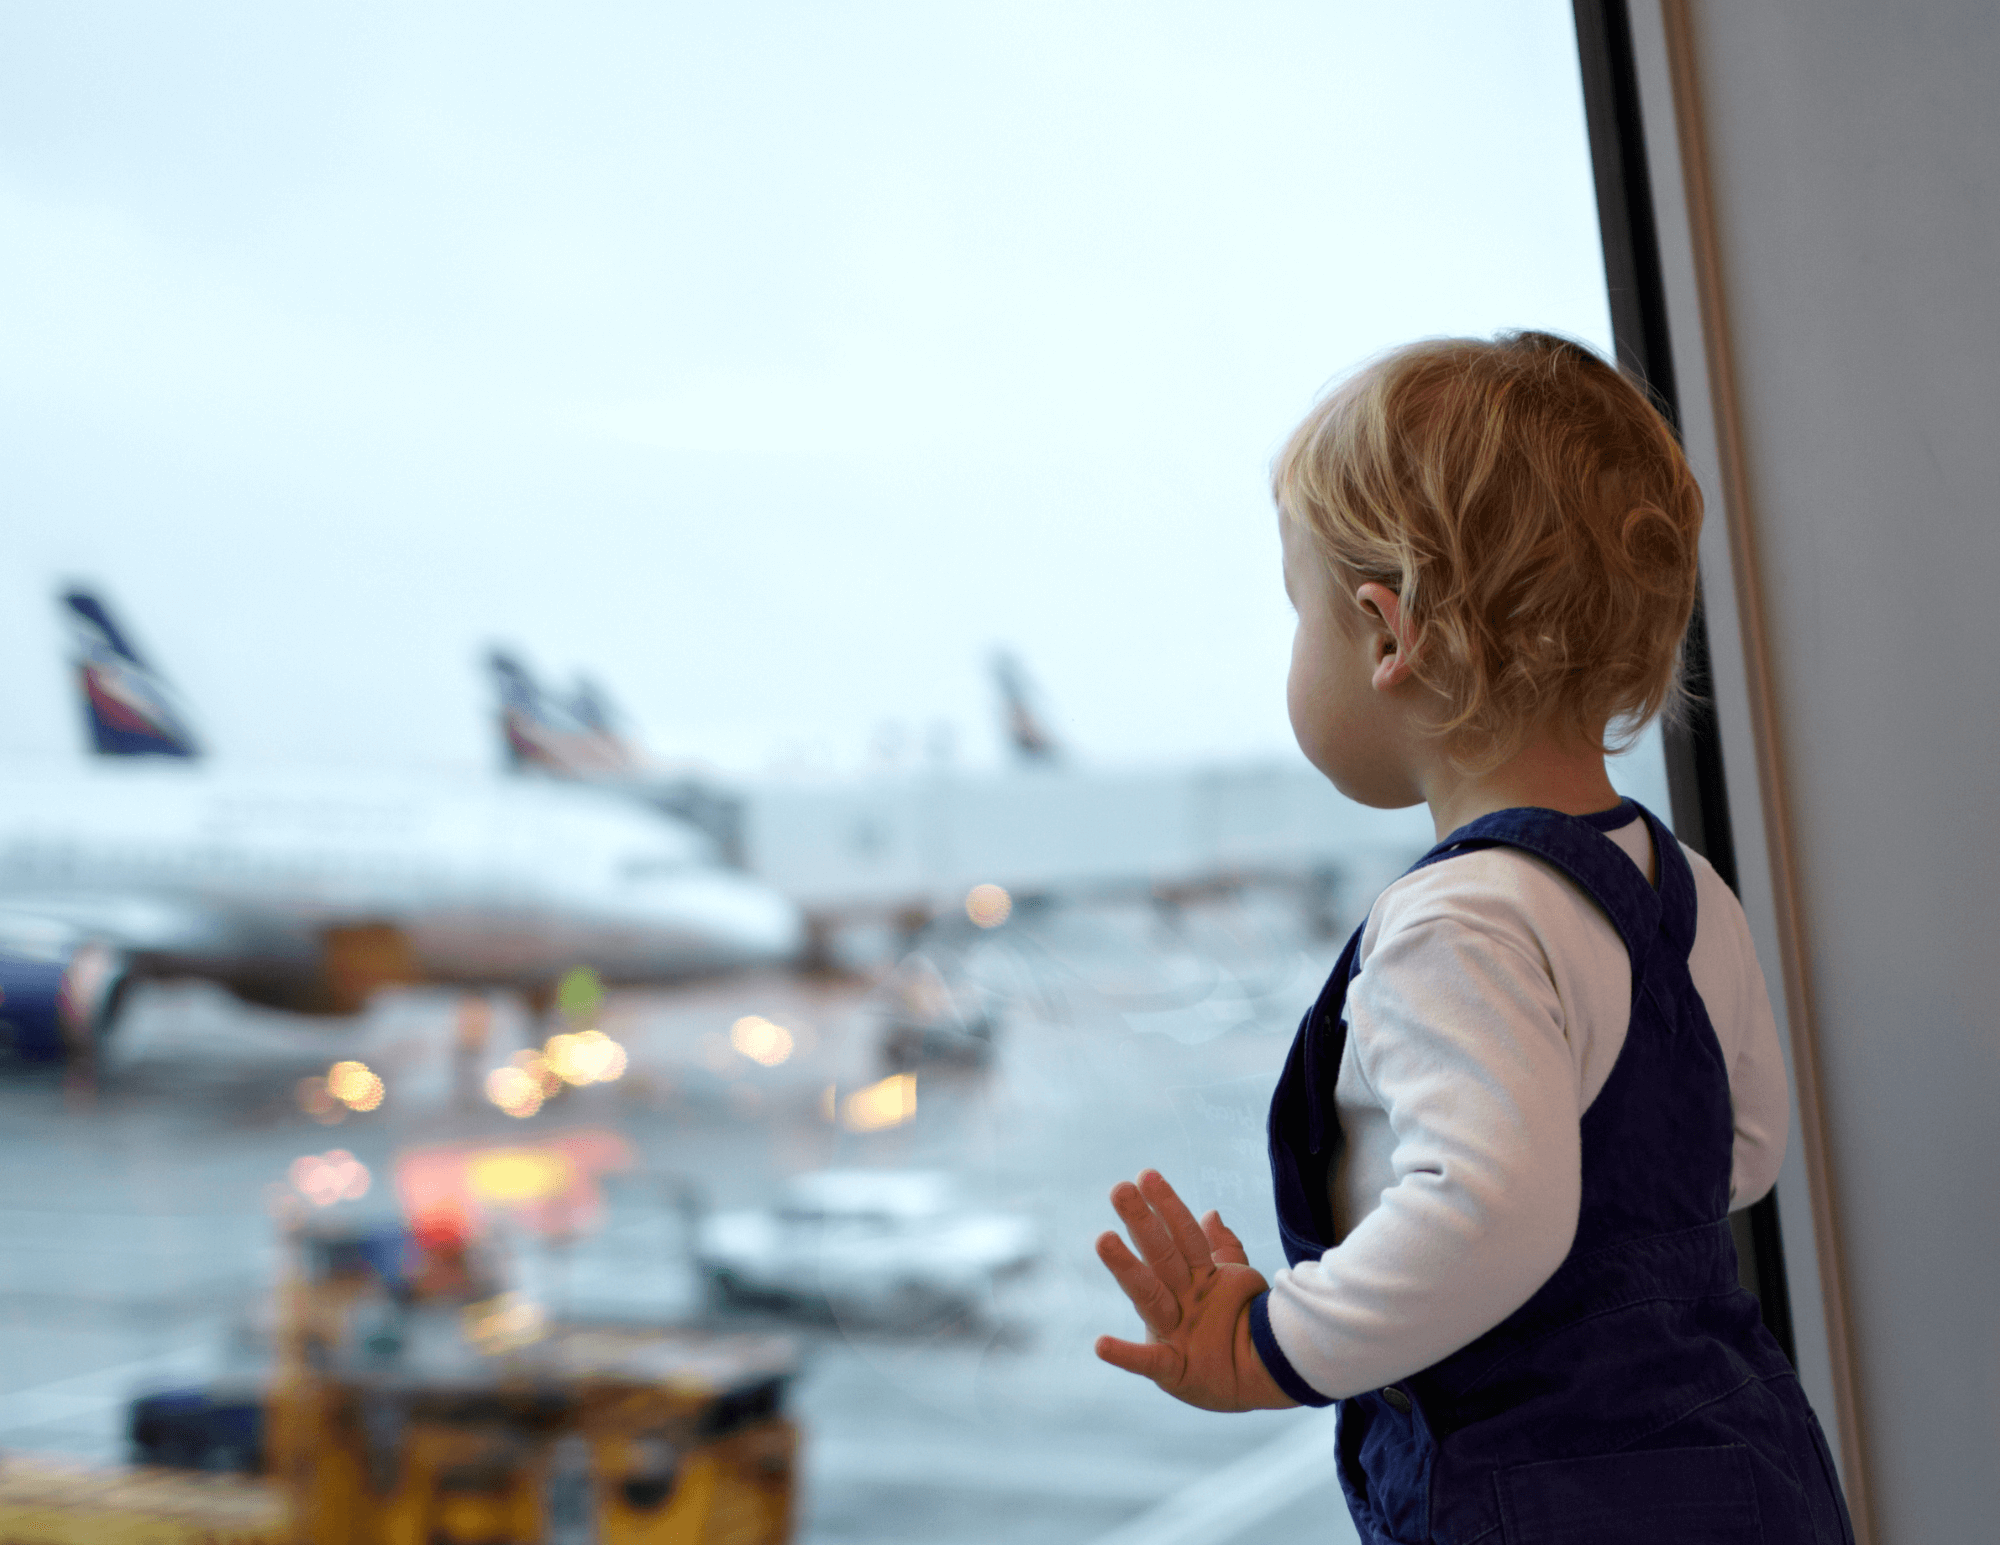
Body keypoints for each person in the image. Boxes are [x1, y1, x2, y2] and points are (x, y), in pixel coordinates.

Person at [1092, 332, 1855, 1544]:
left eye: (1299, 614)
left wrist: (1270, 1343)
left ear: (1383, 633)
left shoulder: (1453, 921)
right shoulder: (1678, 882)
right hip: (1748, 1456)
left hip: (1549, 1490)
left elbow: (1489, 1207)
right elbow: (1741, 1149)